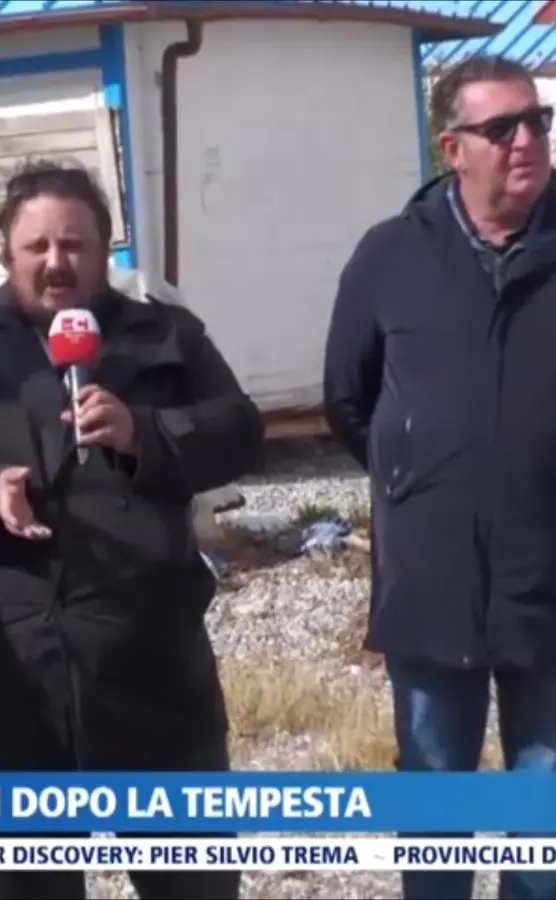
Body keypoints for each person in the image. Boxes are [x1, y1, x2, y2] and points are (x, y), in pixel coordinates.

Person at [0, 160, 264, 900]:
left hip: (152, 668)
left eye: (75, 245)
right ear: (5, 253)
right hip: (13, 666)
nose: (57, 264)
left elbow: (240, 432)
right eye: (37, 248)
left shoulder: (164, 334)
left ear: (104, 249)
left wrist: (145, 431)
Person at [323, 54, 556, 900]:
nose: (527, 139)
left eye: (537, 121)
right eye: (503, 128)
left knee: (544, 820)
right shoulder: (390, 256)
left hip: (549, 587)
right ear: (452, 148)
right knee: (434, 812)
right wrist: (421, 481)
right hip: (432, 587)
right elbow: (347, 400)